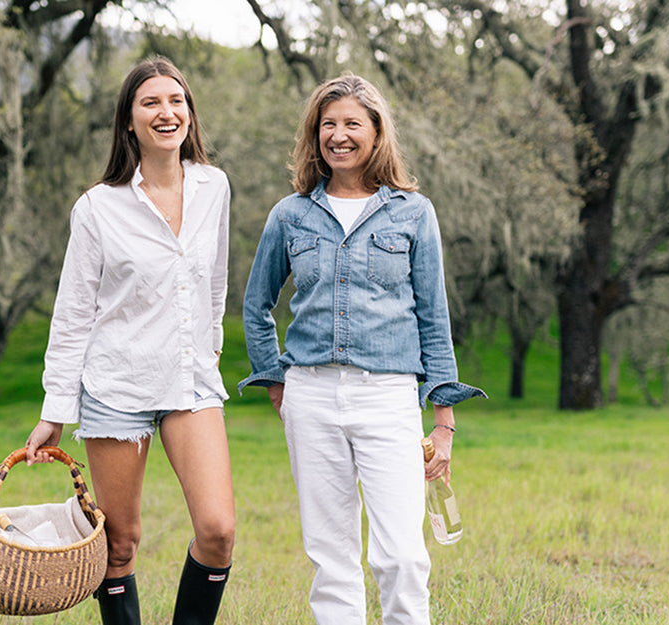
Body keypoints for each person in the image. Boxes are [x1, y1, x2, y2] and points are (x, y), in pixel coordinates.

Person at [238, 74, 485, 625]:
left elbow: (433, 317)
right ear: (314, 134)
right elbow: (256, 307)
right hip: (311, 396)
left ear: (376, 132)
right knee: (332, 557)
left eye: (352, 123)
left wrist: (443, 422)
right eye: (328, 124)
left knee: (401, 555)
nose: (339, 135)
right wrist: (275, 380)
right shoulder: (291, 215)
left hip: (389, 397)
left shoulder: (413, 213)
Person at [24, 56, 234, 625]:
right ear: (129, 121)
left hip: (190, 383)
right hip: (117, 384)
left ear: (189, 112)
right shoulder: (97, 208)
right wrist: (55, 410)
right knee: (119, 543)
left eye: (176, 101)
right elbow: (73, 316)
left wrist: (210, 348)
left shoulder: (214, 187)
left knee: (217, 531)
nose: (167, 113)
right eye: (151, 103)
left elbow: (215, 280)